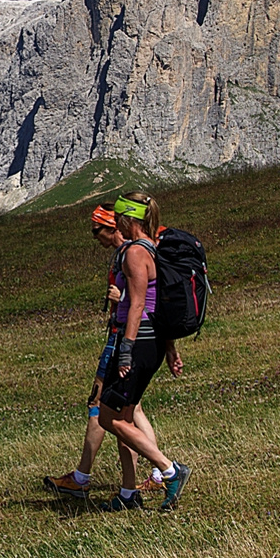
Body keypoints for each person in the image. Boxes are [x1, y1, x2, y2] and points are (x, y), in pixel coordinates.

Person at [42, 204, 167, 499]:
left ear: (113, 227)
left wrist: (124, 340)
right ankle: (136, 483)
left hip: (125, 336)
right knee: (130, 408)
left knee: (105, 406)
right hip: (126, 335)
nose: (94, 236)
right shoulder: (130, 251)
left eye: (96, 229)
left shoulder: (132, 252)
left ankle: (159, 471)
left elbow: (139, 298)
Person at [97, 191, 189, 512]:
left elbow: (137, 304)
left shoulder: (135, 253)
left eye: (120, 216)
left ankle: (169, 470)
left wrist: (125, 351)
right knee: (124, 415)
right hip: (151, 342)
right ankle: (127, 493)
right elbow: (158, 304)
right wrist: (170, 349)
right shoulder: (153, 248)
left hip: (137, 342)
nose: (117, 222)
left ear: (129, 219)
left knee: (109, 417)